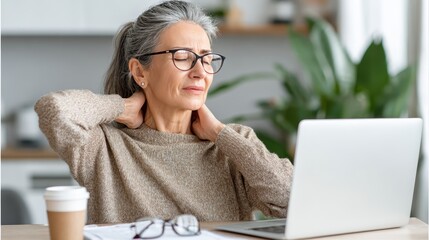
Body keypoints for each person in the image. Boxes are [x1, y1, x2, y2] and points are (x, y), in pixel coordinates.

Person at [35, 0, 293, 224]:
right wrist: (122, 107)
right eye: (182, 56)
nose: (200, 71)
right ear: (139, 71)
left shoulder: (233, 144)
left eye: (206, 58)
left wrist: (219, 133)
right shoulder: (104, 148)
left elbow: (291, 199)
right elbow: (54, 111)